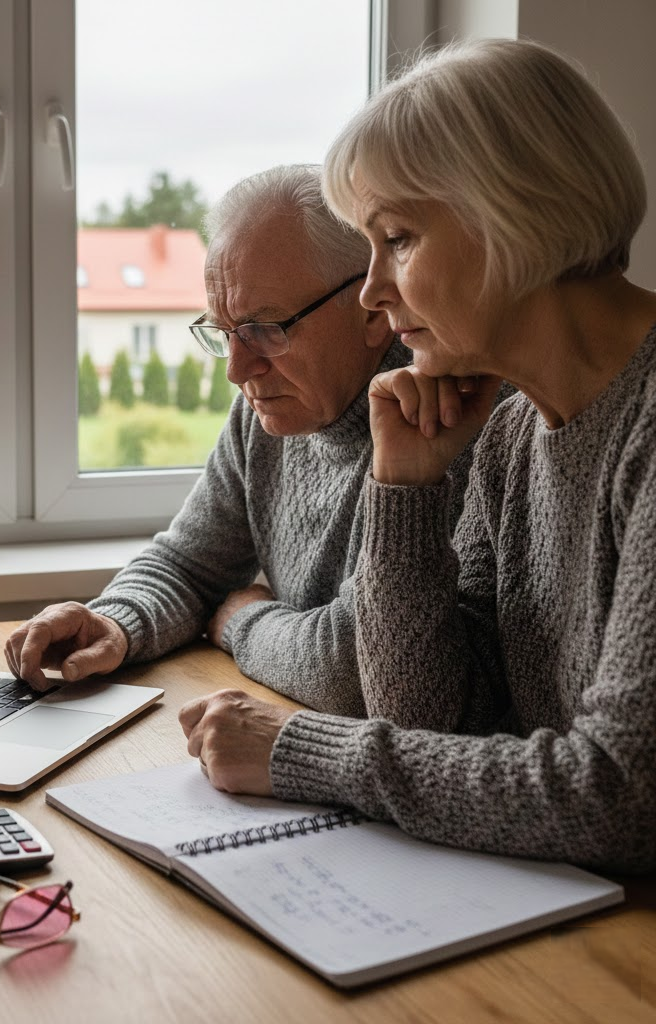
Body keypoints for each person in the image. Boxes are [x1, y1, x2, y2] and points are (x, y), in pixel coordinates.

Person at [179, 38, 656, 874]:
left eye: (396, 238)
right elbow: (429, 719)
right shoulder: (512, 436)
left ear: (519, 212)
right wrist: (404, 488)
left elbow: (618, 797)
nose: (371, 291)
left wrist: (302, 751)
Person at [5, 164, 479, 712]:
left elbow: (356, 666)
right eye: (224, 332)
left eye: (265, 329)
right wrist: (115, 621)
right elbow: (190, 565)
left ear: (370, 309)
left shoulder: (444, 420)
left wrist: (241, 621)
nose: (236, 369)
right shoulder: (269, 410)